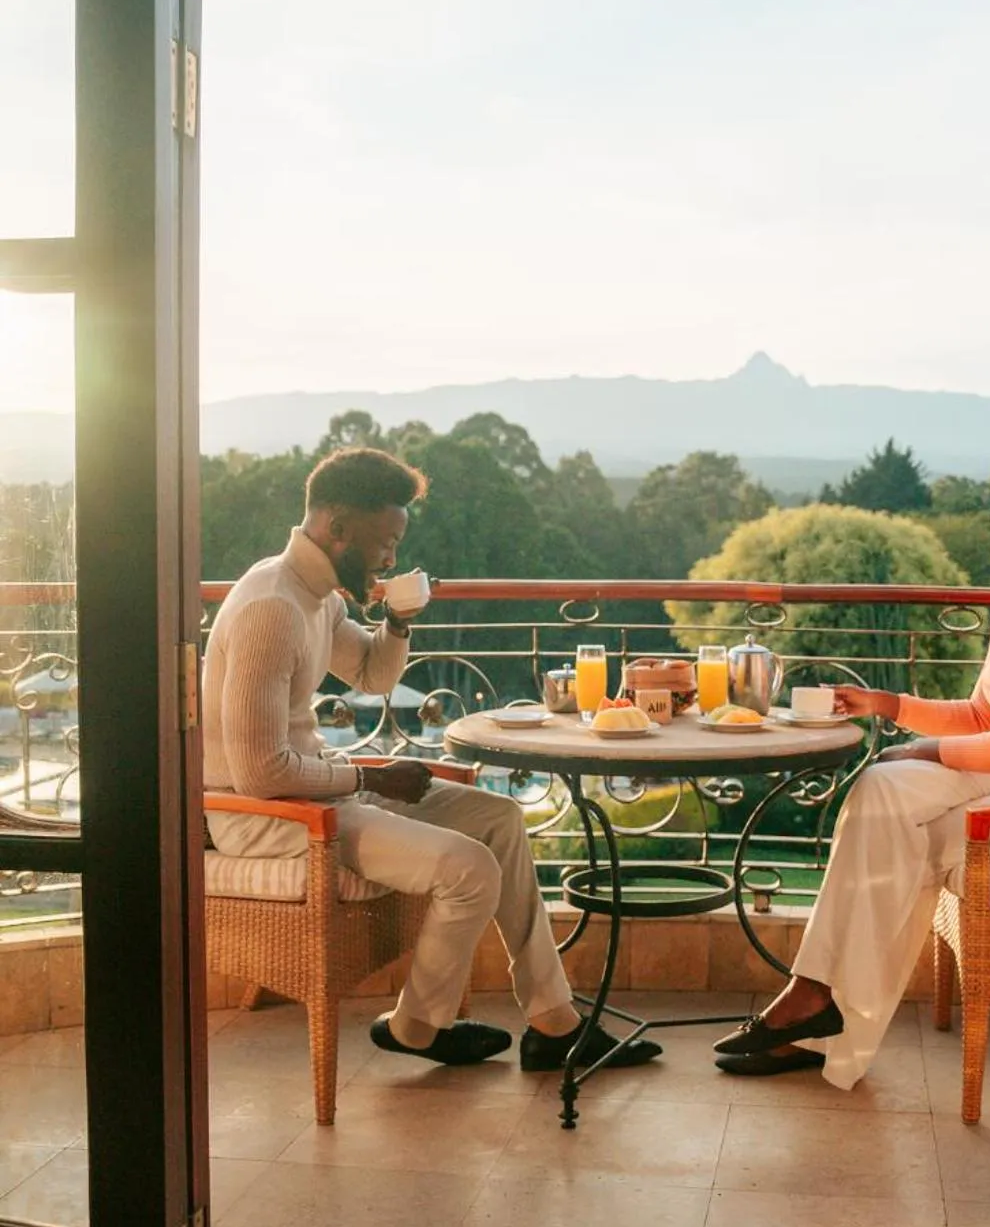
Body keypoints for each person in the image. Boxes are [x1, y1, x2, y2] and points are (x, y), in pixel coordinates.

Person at [203, 445, 660, 1072]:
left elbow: (369, 677)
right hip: (270, 818)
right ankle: (417, 1025)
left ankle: (554, 1022)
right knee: (469, 868)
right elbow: (260, 774)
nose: (392, 557)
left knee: (498, 819)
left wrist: (395, 620)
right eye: (385, 541)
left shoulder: (318, 597)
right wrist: (369, 776)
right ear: (337, 528)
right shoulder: (271, 610)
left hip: (321, 795)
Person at [713, 445, 990, 1087]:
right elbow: (984, 715)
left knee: (913, 834)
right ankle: (814, 995)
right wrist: (885, 705)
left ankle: (824, 1014)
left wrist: (923, 748)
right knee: (881, 790)